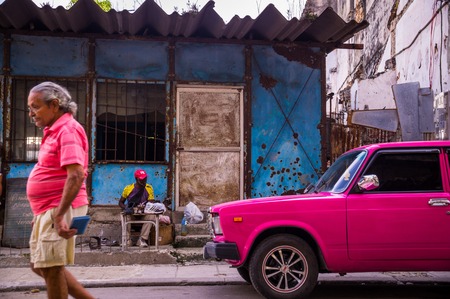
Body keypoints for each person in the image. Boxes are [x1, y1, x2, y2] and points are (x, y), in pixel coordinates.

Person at [26, 81, 94, 299]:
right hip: (48, 208)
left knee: (52, 268)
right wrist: (41, 214)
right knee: (40, 265)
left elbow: (76, 174)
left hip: (60, 206)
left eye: (35, 107)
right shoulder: (54, 130)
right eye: (30, 108)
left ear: (54, 105)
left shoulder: (68, 130)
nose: (31, 113)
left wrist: (58, 215)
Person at [118, 169, 156, 247]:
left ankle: (142, 240)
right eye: (141, 179)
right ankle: (127, 240)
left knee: (152, 215)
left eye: (145, 178)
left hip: (143, 213)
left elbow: (151, 202)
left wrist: (145, 207)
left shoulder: (149, 188)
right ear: (136, 179)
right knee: (125, 216)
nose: (144, 181)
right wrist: (126, 208)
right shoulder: (128, 188)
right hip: (132, 213)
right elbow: (120, 202)